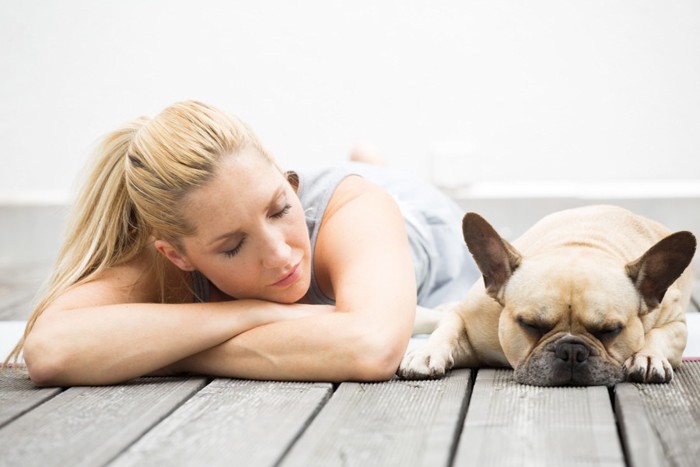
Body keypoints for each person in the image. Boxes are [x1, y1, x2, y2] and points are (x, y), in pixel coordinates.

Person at [4, 101, 477, 386]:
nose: (279, 254)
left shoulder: (354, 207)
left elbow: (371, 346)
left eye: (279, 209)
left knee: (381, 187)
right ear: (176, 255)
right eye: (232, 247)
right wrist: (252, 313)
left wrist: (162, 346)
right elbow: (50, 350)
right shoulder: (168, 258)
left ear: (281, 170)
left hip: (414, 217)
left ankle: (372, 164)